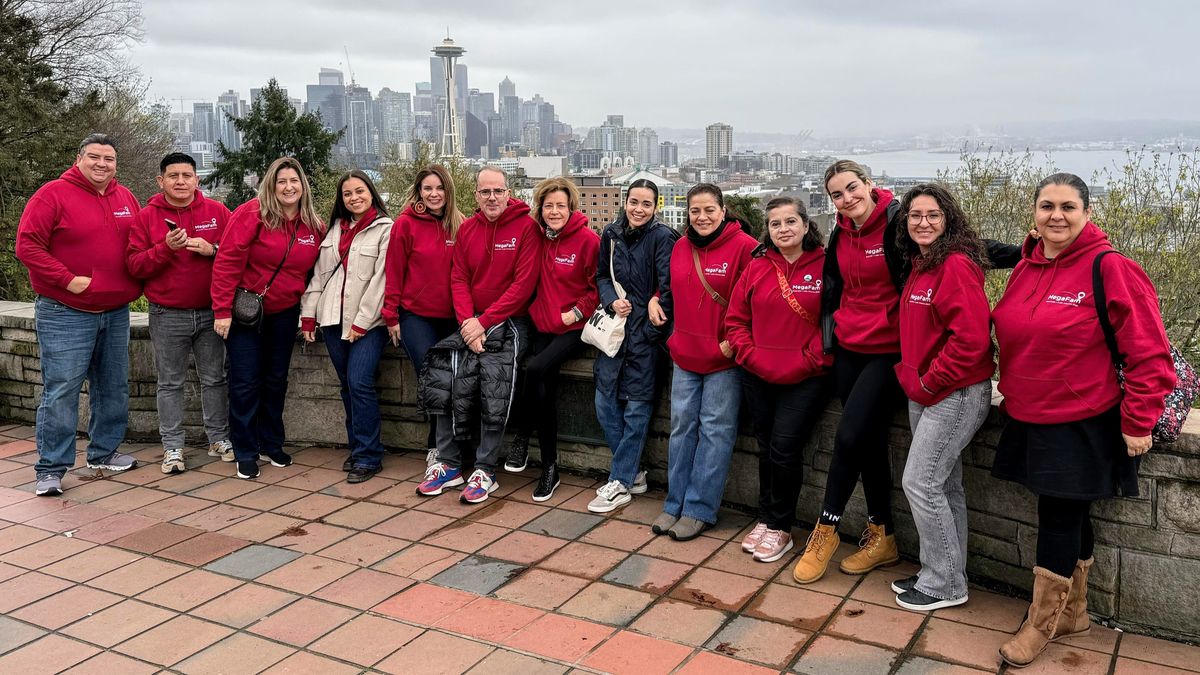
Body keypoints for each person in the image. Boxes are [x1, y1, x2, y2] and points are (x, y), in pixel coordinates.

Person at [991, 173, 1174, 667]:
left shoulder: (1110, 267)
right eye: (1046, 205)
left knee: (1058, 517)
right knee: (1069, 513)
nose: (1056, 215)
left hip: (1080, 420)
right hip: (1030, 414)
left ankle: (1040, 624)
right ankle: (1074, 611)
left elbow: (1150, 353)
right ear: (1033, 212)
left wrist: (1138, 421)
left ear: (1087, 212)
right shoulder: (1027, 266)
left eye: (1068, 206)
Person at [16, 133, 142, 496]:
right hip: (65, 311)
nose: (102, 164)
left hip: (115, 311)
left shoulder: (124, 197)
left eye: (109, 159)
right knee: (62, 390)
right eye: (95, 157)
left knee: (112, 386)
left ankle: (104, 452)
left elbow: (137, 243)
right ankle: (51, 469)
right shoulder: (52, 194)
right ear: (79, 158)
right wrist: (66, 279)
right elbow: (26, 245)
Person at [889, 184, 995, 611]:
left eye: (933, 215)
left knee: (920, 482)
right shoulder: (921, 264)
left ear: (948, 219)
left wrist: (930, 382)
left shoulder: (955, 265)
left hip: (955, 392)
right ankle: (944, 571)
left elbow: (971, 340)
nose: (923, 223)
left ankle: (945, 583)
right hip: (927, 389)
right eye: (915, 216)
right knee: (945, 486)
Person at [416, 166, 541, 504]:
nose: (492, 198)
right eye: (485, 192)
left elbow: (523, 285)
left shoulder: (527, 228)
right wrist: (469, 323)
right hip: (472, 322)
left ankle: (485, 468)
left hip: (510, 322)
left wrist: (483, 322)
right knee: (446, 372)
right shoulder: (468, 230)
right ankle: (449, 463)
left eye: (498, 191)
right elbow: (459, 279)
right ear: (476, 195)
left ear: (508, 191)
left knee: (493, 379)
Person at [725, 196, 833, 562]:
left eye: (790, 222)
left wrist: (806, 361)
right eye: (775, 224)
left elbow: (833, 323)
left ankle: (781, 527)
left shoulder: (826, 267)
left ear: (805, 225)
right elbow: (735, 320)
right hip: (758, 373)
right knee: (765, 444)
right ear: (767, 231)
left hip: (806, 376)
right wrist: (751, 356)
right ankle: (766, 517)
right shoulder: (757, 267)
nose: (783, 229)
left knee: (785, 449)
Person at [648, 183, 757, 540]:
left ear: (723, 211)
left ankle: (699, 508)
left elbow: (757, 300)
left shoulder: (745, 248)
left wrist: (732, 344)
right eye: (695, 211)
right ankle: (674, 502)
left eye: (709, 210)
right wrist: (654, 298)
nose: (702, 217)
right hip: (685, 354)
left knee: (715, 431)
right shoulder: (680, 247)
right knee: (681, 429)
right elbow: (670, 288)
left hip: (724, 357)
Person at [211, 157, 324, 480]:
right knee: (245, 382)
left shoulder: (312, 225)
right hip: (247, 313)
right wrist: (221, 310)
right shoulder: (251, 214)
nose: (288, 187)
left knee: (276, 380)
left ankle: (270, 442)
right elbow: (227, 261)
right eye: (281, 182)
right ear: (271, 186)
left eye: (294, 181)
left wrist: (309, 316)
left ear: (303, 186)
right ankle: (244, 449)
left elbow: (317, 273)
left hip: (284, 314)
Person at [126, 152, 232, 475]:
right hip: (167, 313)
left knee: (215, 378)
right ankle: (173, 447)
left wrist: (211, 250)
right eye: (174, 176)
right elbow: (134, 265)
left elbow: (236, 254)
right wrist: (165, 249)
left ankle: (219, 438)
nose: (181, 182)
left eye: (187, 176)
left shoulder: (217, 212)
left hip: (212, 312)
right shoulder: (147, 217)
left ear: (197, 180)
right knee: (170, 382)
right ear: (161, 181)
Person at [504, 177, 599, 501]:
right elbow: (511, 209)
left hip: (573, 328)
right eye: (548, 206)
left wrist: (576, 312)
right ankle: (550, 467)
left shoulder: (587, 240)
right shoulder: (536, 236)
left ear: (571, 207)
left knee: (535, 369)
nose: (554, 211)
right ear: (540, 209)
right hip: (541, 325)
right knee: (542, 386)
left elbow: (597, 285)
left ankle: (521, 436)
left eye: (560, 205)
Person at [588, 178, 678, 513]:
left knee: (638, 412)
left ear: (656, 207)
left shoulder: (663, 237)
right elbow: (600, 276)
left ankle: (621, 481)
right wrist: (611, 300)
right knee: (604, 403)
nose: (638, 209)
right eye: (634, 202)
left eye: (646, 204)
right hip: (615, 333)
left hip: (646, 336)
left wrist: (655, 302)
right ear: (625, 202)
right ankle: (634, 472)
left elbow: (670, 285)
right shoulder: (610, 234)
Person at [300, 170, 393, 483]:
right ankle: (357, 448)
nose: (354, 198)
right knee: (346, 385)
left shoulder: (385, 228)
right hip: (331, 319)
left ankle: (369, 455)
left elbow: (382, 280)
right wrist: (308, 315)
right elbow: (319, 277)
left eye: (360, 191)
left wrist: (362, 323)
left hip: (368, 323)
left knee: (359, 381)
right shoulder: (334, 231)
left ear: (371, 192)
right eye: (348, 194)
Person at [382, 165, 464, 466]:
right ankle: (436, 446)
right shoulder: (405, 224)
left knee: (455, 381)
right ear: (419, 192)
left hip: (452, 316)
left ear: (448, 191)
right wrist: (391, 316)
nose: (434, 194)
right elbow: (394, 271)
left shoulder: (458, 224)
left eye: (439, 188)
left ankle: (453, 444)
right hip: (415, 316)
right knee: (432, 378)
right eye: (427, 188)